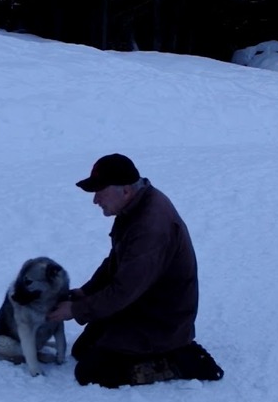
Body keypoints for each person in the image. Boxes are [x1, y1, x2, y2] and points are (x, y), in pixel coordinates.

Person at [47, 153, 224, 388]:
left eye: (100, 191)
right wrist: (86, 293)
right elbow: (116, 261)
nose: (95, 200)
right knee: (83, 349)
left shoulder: (150, 228)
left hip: (160, 320)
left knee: (91, 372)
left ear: (126, 190)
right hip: (141, 303)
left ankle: (181, 360)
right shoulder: (135, 206)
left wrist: (76, 309)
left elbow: (123, 290)